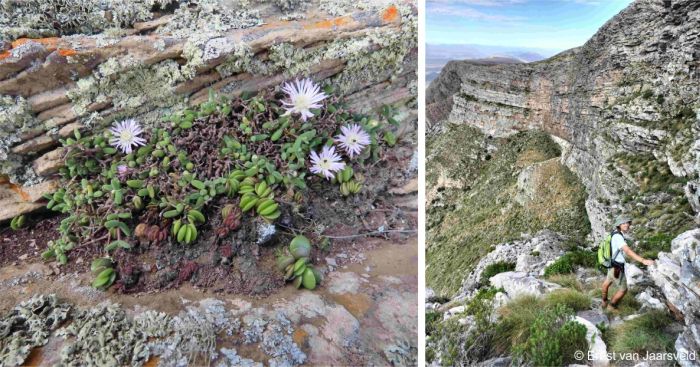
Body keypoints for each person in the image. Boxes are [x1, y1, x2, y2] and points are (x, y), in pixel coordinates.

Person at [601, 215, 655, 311]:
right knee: (623, 290)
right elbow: (627, 251)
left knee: (606, 284)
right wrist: (643, 260)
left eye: (627, 223)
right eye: (623, 223)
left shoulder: (613, 234)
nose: (627, 225)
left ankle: (604, 301)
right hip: (617, 267)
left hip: (611, 264)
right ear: (619, 225)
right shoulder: (618, 237)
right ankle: (611, 307)